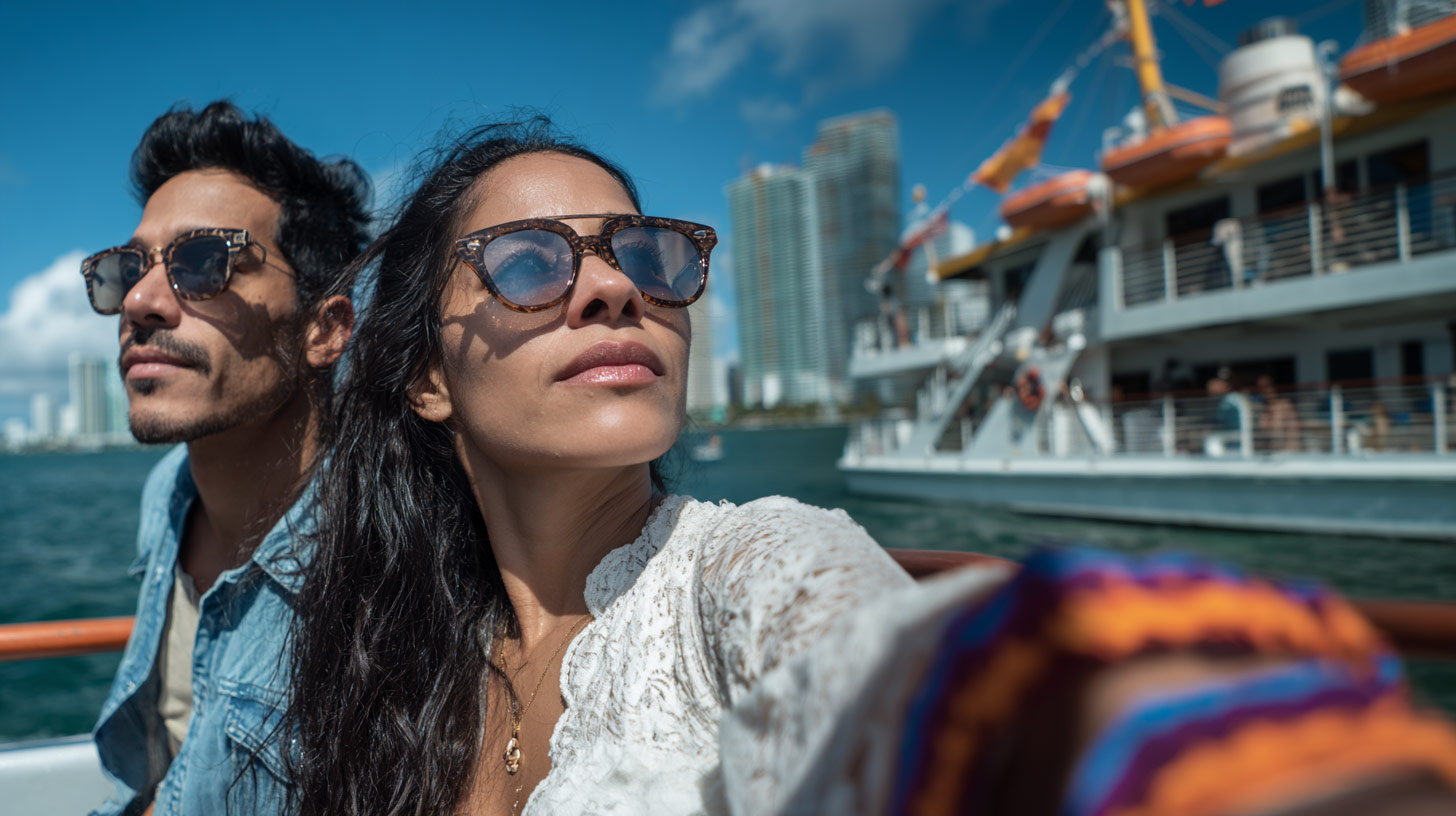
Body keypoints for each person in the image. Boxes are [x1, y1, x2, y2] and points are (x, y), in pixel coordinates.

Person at [285, 120, 1456, 816]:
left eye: (643, 251)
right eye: (528, 262)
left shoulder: (756, 567)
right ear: (425, 378)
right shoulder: (402, 649)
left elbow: (942, 682)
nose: (613, 286)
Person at [83, 101, 370, 815]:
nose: (141, 302)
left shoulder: (388, 562)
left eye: (204, 262)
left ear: (325, 329)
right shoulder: (168, 493)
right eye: (128, 268)